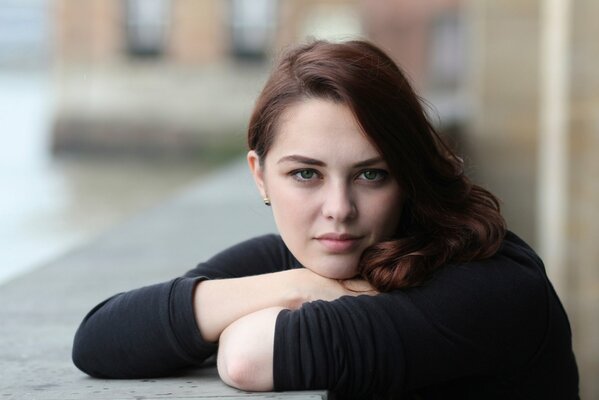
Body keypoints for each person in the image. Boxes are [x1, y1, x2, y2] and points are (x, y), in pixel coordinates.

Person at [72, 40, 579, 399]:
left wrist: (294, 296)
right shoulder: (306, 261)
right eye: (306, 174)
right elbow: (100, 340)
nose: (339, 208)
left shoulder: (494, 287)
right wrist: (300, 284)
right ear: (260, 175)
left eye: (371, 175)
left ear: (409, 174)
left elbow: (249, 356)